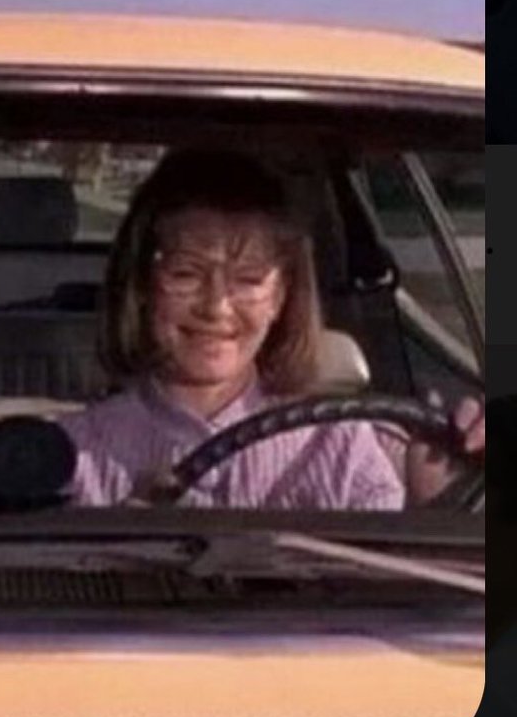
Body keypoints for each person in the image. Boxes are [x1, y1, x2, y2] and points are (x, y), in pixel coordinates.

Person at [58, 147, 484, 510]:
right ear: (143, 286)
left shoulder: (339, 446)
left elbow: (398, 580)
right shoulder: (74, 454)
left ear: (281, 297)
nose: (216, 306)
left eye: (248, 279)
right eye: (185, 274)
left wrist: (443, 500)